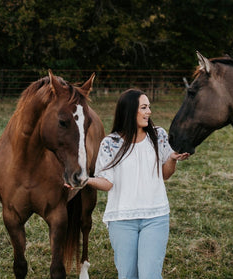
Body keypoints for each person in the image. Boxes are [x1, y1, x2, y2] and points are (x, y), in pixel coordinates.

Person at [74, 89, 189, 279]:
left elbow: (165, 175)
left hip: (155, 217)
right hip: (121, 220)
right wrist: (85, 180)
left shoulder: (158, 135)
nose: (149, 112)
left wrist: (172, 159)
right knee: (127, 275)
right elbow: (107, 182)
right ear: (129, 111)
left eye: (149, 107)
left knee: (149, 275)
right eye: (144, 107)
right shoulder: (110, 143)